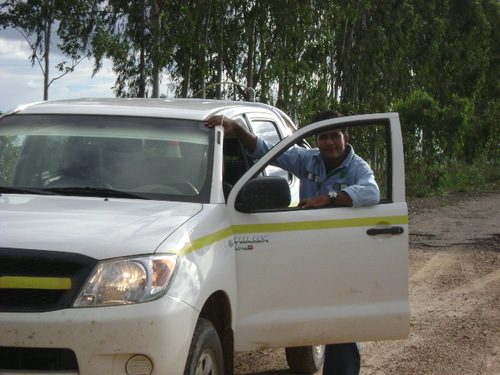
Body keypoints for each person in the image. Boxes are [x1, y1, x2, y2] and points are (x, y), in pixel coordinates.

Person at [205, 110, 380, 375]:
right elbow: (268, 152)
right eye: (323, 137)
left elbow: (372, 192)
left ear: (346, 137)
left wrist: (329, 197)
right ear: (317, 140)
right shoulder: (309, 159)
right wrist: (239, 129)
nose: (329, 142)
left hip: (340, 251)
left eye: (335, 136)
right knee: (314, 314)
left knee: (342, 320)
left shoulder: (358, 168)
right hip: (307, 248)